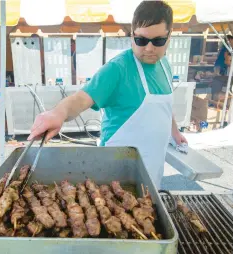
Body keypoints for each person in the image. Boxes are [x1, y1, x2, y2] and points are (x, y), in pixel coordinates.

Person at [28, 1, 187, 188]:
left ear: (169, 37)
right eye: (141, 40)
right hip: (118, 167)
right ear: (132, 35)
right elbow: (80, 99)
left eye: (158, 41)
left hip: (153, 163)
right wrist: (58, 113)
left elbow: (165, 107)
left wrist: (174, 132)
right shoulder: (117, 69)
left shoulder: (164, 65)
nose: (149, 48)